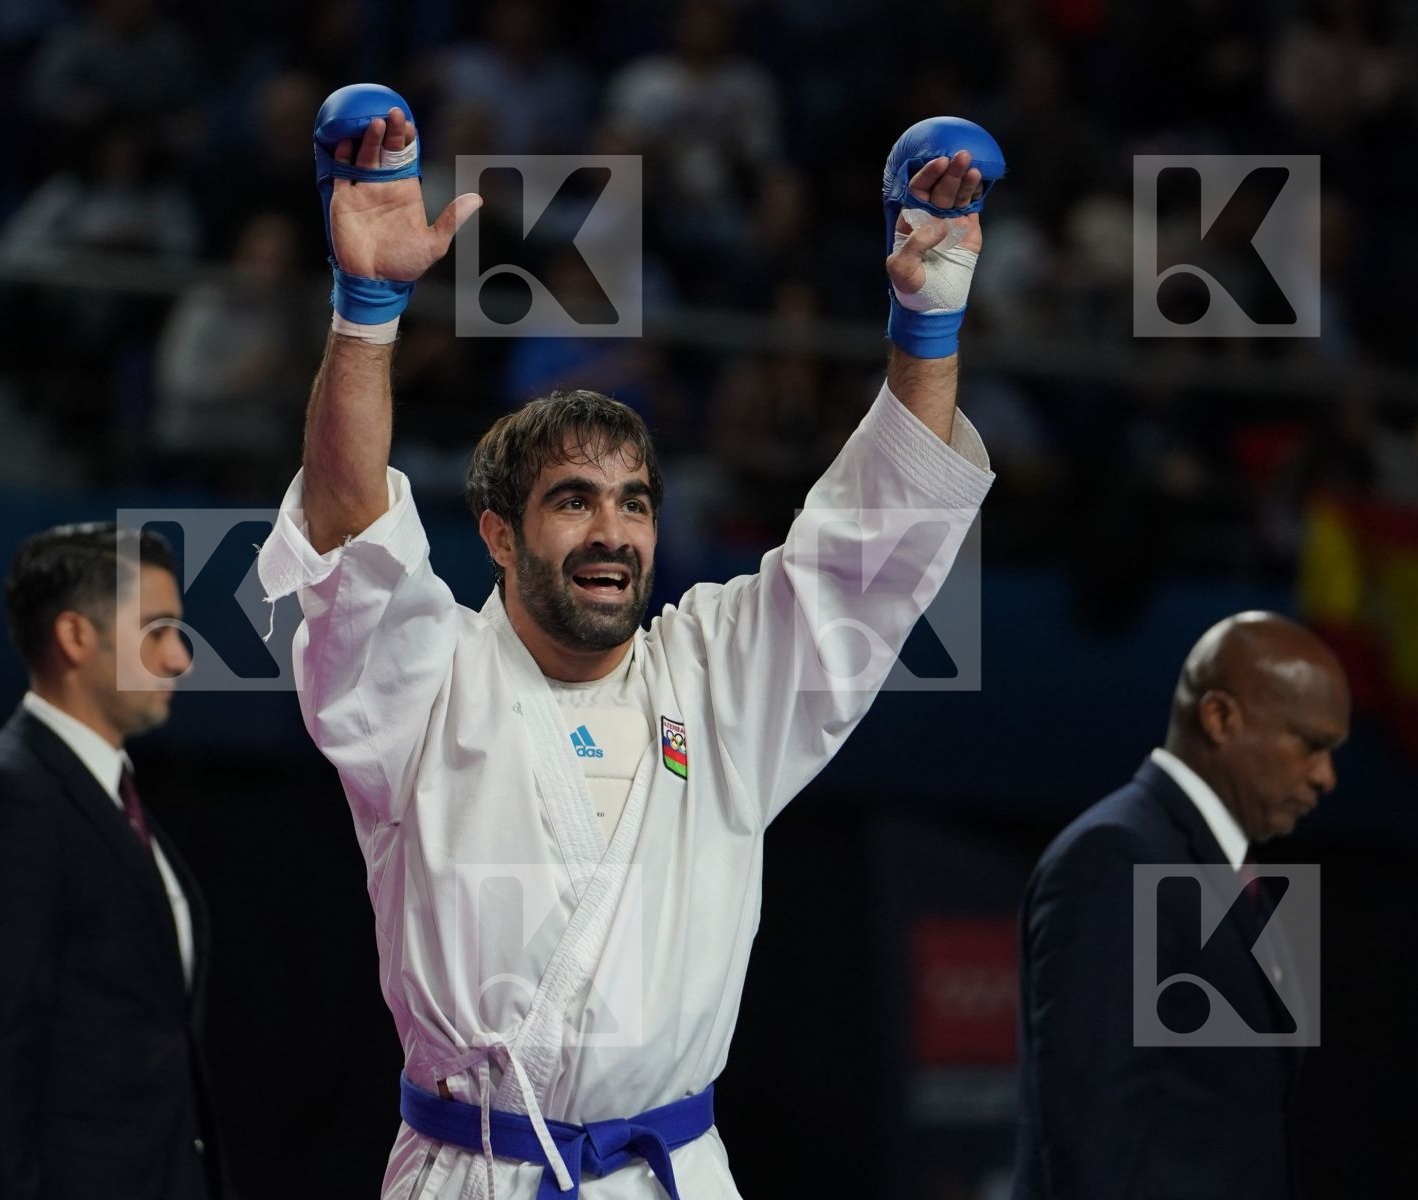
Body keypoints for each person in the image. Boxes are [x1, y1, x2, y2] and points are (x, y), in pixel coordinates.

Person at [256, 84, 1000, 1199]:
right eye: (573, 502)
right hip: (475, 1176)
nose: (612, 532)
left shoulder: (715, 680)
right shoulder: (424, 682)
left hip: (671, 1175)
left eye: (635, 503)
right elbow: (349, 527)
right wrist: (367, 311)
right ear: (499, 535)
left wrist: (927, 329)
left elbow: (864, 557)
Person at [0, 523, 234, 1200]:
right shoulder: (2, 800)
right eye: (157, 630)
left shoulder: (105, 794)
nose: (180, 657)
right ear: (75, 637)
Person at [1013, 611, 1351, 1200]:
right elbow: (1091, 1139)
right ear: (1219, 718)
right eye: (1310, 744)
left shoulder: (1235, 873)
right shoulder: (1116, 857)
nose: (1327, 777)